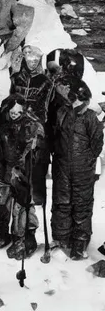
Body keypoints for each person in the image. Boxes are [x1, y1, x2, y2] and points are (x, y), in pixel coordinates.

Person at [0, 95, 43, 259]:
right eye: (12, 111)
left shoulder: (31, 125)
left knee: (21, 207)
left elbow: (37, 149)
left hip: (23, 171)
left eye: (18, 111)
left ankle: (24, 239)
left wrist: (25, 169)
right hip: (4, 168)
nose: (15, 114)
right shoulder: (3, 124)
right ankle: (2, 235)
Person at [50, 79, 103, 260]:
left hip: (82, 169)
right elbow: (56, 137)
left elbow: (97, 143)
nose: (77, 103)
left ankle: (80, 241)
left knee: (81, 204)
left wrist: (86, 160)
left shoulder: (89, 117)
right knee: (62, 202)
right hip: (62, 167)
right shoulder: (61, 113)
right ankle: (61, 238)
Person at [9, 45, 54, 205]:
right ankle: (19, 195)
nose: (32, 63)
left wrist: (37, 122)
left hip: (36, 125)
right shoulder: (15, 78)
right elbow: (10, 100)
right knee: (18, 159)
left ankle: (38, 197)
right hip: (17, 125)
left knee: (37, 161)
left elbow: (46, 106)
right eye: (29, 60)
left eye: (36, 60)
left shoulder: (45, 82)